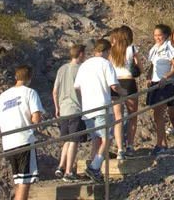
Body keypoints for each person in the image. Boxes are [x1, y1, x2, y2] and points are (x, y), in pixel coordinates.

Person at [73, 39, 125, 183]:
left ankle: (95, 170)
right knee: (107, 139)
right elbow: (114, 85)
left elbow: (77, 86)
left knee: (96, 139)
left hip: (88, 109)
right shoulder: (105, 64)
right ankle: (95, 167)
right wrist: (123, 92)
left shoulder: (84, 65)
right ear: (107, 50)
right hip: (102, 106)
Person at [0, 65, 44, 199]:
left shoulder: (3, 96)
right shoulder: (30, 92)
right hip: (24, 140)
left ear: (15, 77)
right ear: (30, 78)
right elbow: (36, 118)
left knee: (19, 181)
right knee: (25, 182)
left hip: (8, 142)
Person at [53, 45, 86, 182]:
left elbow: (55, 91)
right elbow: (81, 89)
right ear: (80, 54)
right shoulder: (81, 69)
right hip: (76, 108)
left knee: (66, 140)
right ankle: (68, 172)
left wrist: (57, 107)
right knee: (74, 141)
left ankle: (60, 166)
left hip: (64, 109)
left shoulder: (62, 69)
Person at [146, 24, 174, 155]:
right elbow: (152, 66)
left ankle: (162, 144)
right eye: (155, 35)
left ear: (165, 35)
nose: (157, 37)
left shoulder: (169, 48)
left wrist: (166, 77)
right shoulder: (155, 48)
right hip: (154, 83)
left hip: (163, 84)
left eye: (160, 35)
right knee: (156, 115)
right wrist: (148, 77)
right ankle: (161, 143)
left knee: (159, 114)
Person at [108, 27, 140, 160]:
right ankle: (130, 146)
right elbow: (140, 68)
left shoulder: (111, 51)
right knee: (132, 116)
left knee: (118, 119)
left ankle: (120, 149)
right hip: (129, 82)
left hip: (115, 84)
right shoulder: (132, 49)